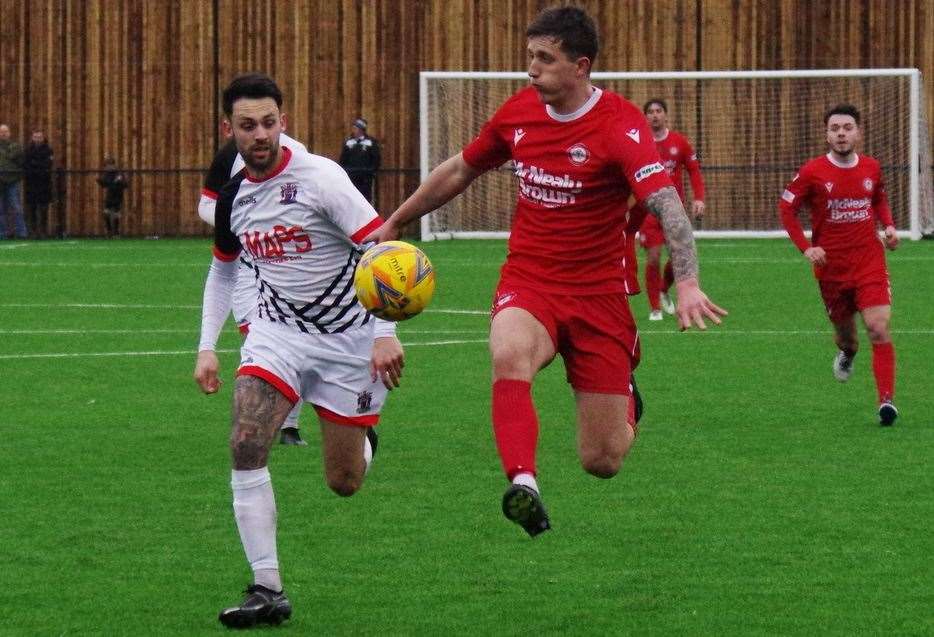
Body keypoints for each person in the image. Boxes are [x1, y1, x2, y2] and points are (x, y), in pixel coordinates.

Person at [365, 7, 726, 537]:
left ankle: (627, 396)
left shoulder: (620, 125)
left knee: (602, 461)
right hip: (530, 280)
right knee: (508, 353)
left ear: (580, 66)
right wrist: (395, 220)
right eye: (529, 57)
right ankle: (524, 483)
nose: (531, 70)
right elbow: (462, 168)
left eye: (544, 59)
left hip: (600, 294)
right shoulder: (518, 114)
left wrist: (688, 280)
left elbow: (667, 206)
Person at [193, 73, 404, 628]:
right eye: (247, 125)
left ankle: (362, 442)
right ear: (229, 129)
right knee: (245, 440)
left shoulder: (321, 178)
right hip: (276, 334)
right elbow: (222, 272)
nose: (259, 134)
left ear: (283, 122)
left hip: (349, 340)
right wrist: (206, 347)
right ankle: (267, 588)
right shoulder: (233, 195)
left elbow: (381, 250)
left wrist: (385, 334)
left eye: (268, 123)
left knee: (343, 482)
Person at [779, 104, 899, 426]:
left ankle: (886, 402)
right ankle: (848, 354)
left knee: (878, 327)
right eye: (835, 128)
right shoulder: (812, 172)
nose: (841, 133)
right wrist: (806, 247)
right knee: (849, 339)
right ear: (826, 134)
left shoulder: (872, 168)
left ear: (858, 132)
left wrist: (887, 225)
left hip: (869, 261)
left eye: (847, 127)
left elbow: (879, 199)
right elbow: (786, 210)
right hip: (831, 269)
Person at [199, 134, 311, 446]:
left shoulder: (300, 155)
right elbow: (206, 205)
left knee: (295, 342)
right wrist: (237, 220)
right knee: (259, 339)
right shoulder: (228, 158)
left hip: (286, 266)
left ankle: (289, 426)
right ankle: (258, 428)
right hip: (246, 267)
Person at [630, 99, 706, 321]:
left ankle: (664, 288)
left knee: (678, 257)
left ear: (665, 115)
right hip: (647, 211)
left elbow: (693, 170)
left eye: (658, 111)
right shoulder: (640, 143)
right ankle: (655, 308)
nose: (654, 115)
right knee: (653, 257)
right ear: (645, 117)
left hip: (674, 212)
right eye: (650, 112)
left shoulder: (679, 142)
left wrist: (699, 198)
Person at [338, 117, 381, 203]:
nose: (354, 130)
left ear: (361, 129)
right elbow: (343, 159)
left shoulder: (370, 142)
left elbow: (376, 158)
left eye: (356, 128)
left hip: (365, 177)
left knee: (365, 198)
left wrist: (371, 171)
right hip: (351, 175)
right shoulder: (349, 142)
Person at [23, 129, 54, 239]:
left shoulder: (48, 150)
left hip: (44, 182)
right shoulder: (28, 150)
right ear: (32, 138)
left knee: (44, 208)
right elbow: (26, 164)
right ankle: (33, 231)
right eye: (35, 137)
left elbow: (48, 164)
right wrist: (37, 165)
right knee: (32, 208)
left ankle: (43, 231)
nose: (37, 139)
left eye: (39, 137)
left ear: (43, 138)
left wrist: (35, 164)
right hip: (31, 183)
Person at [0, 124, 27, 239]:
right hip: (0, 181)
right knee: (0, 209)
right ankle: (2, 233)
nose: (3, 134)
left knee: (16, 207)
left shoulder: (16, 146)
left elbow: (17, 159)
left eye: (5, 132)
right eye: (1, 132)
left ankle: (22, 233)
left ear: (9, 133)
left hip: (12, 180)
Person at [97, 157, 128, 237]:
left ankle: (116, 232)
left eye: (109, 165)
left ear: (113, 165)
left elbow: (125, 185)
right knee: (106, 213)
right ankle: (109, 231)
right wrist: (100, 181)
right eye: (107, 166)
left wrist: (119, 181)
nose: (108, 167)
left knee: (116, 214)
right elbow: (104, 184)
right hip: (109, 196)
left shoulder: (119, 174)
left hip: (118, 195)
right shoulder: (107, 174)